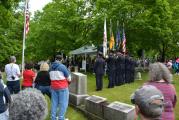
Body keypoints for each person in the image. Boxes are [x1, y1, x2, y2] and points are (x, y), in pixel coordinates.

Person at [49, 55, 71, 120]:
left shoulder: (50, 67)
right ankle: (61, 118)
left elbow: (50, 77)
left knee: (54, 103)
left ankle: (53, 117)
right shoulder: (62, 67)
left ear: (55, 59)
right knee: (63, 103)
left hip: (54, 87)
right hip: (63, 87)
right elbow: (69, 78)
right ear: (61, 60)